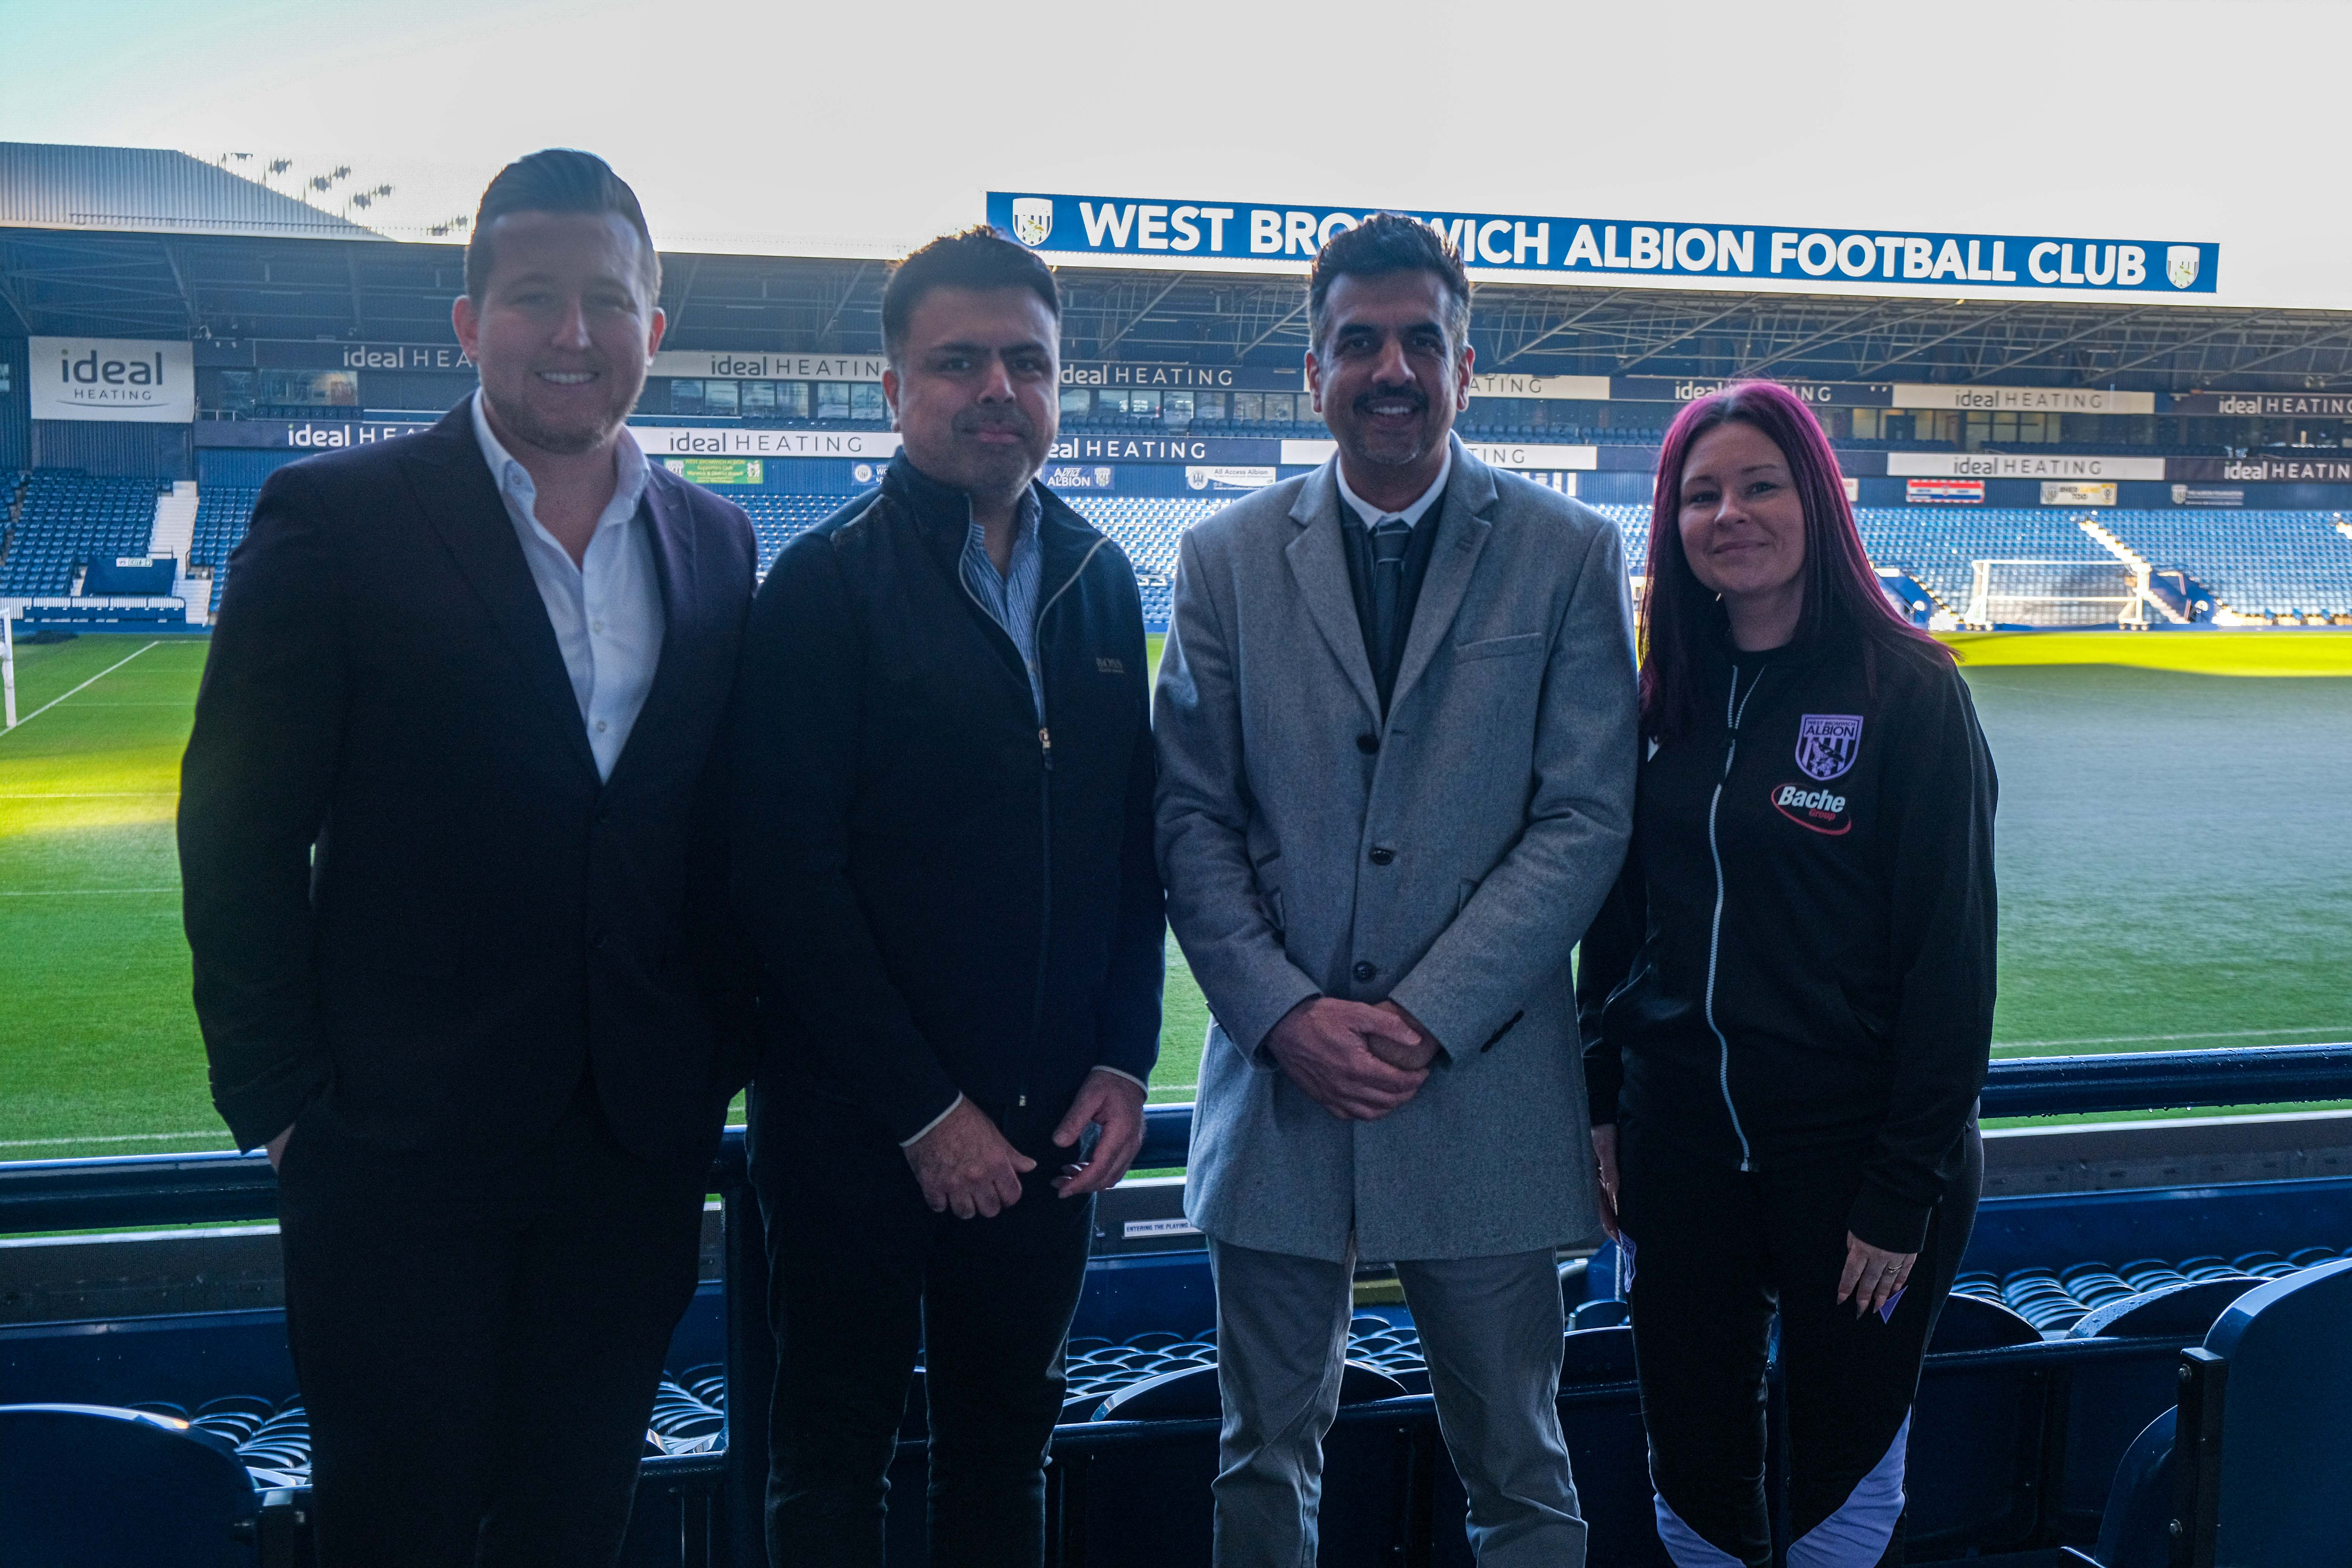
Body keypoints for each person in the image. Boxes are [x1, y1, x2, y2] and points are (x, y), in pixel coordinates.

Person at [178, 149, 757, 1565]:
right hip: (391, 1161)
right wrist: (285, 1104)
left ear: (654, 332)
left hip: (625, 1161)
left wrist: (701, 1074)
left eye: (606, 302)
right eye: (536, 297)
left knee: (577, 1519)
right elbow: (236, 823)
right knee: (399, 1528)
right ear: (470, 321)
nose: (574, 334)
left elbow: (713, 837)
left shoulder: (717, 542)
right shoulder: (338, 521)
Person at [1155, 213, 1638, 1568]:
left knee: (1522, 1475)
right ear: (1313, 372)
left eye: (1420, 340)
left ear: (1464, 368)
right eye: (1357, 341)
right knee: (1260, 1464)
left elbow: (1586, 818)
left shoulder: (1565, 552)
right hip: (1281, 1095)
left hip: (1480, 1092)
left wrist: (1426, 1017)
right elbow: (1192, 818)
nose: (1391, 369)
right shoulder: (1224, 559)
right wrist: (1284, 1016)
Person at [733, 226, 1163, 1567]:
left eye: (1026, 362)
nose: (997, 388)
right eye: (959, 361)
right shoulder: (821, 586)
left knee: (1004, 1456)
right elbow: (783, 880)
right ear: (893, 387)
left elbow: (1129, 854)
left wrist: (1126, 1057)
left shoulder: (1101, 581)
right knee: (833, 1461)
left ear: (1059, 382)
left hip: (1046, 1126)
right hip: (858, 1126)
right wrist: (926, 1112)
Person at [1577, 380, 1997, 1568]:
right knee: (1695, 1474)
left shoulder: (1908, 691)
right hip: (1682, 1159)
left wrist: (1901, 1190)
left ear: (1815, 496)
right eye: (1701, 493)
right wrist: (1603, 1102)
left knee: (1840, 1476)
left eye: (1760, 483)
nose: (1731, 513)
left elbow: (1953, 964)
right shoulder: (1660, 700)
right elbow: (1611, 931)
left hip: (1857, 1167)